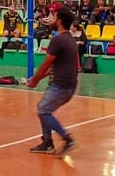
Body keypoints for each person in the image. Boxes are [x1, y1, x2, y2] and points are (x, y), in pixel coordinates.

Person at [27, 8, 78, 155]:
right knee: (44, 109)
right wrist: (37, 78)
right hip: (68, 85)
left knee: (43, 110)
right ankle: (47, 142)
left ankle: (67, 139)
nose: (51, 19)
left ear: (59, 21)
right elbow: (53, 67)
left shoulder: (58, 40)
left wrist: (35, 80)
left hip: (61, 85)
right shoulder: (70, 39)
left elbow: (46, 64)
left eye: (54, 17)